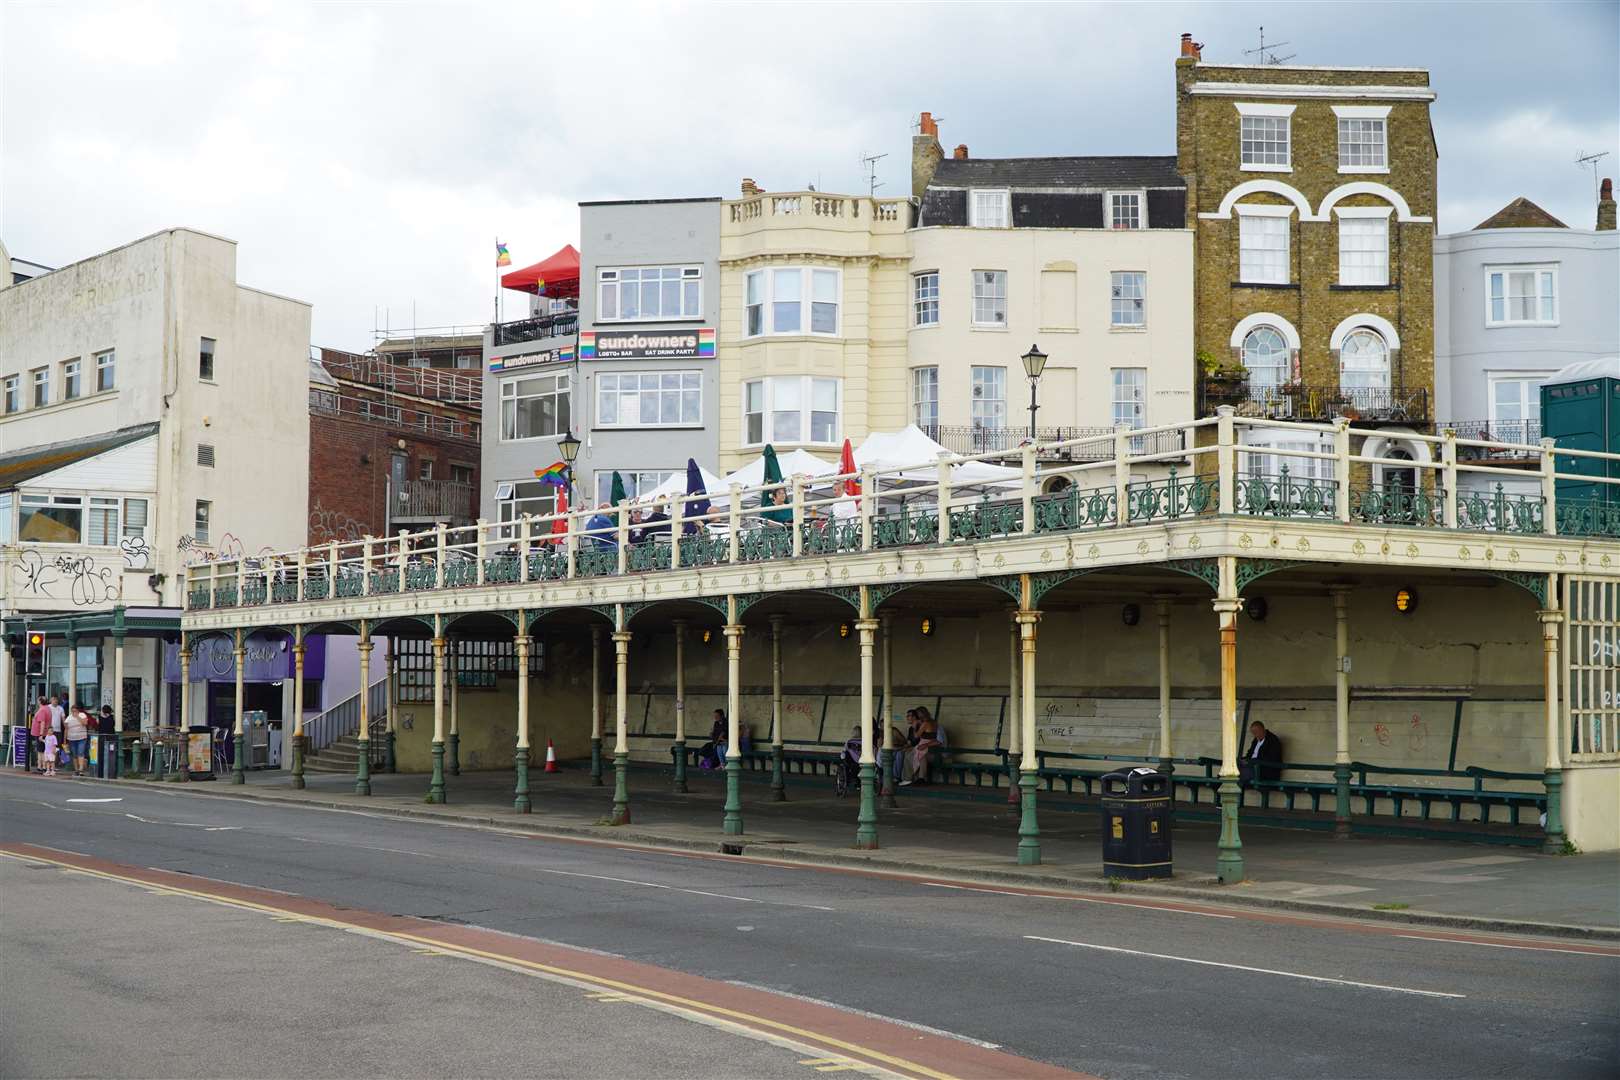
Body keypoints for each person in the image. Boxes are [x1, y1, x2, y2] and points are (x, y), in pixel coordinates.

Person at [901, 707, 945, 786]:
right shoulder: (934, 722)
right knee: (916, 755)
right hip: (930, 745)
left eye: (917, 714)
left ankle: (909, 778)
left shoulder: (925, 723)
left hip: (926, 744)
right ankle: (917, 779)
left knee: (912, 756)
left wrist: (915, 726)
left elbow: (916, 736)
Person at [1239, 720, 1284, 785]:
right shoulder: (1256, 740)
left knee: (1239, 774)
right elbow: (1249, 754)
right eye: (1253, 733)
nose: (1255, 735)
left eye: (1256, 732)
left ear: (1263, 729)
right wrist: (1243, 760)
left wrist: (1252, 761)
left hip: (1265, 771)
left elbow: (1271, 759)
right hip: (1251, 767)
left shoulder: (1272, 740)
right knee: (1232, 769)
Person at [63, 705, 91, 776]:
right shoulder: (68, 718)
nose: (73, 713)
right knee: (74, 754)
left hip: (81, 737)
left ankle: (81, 769)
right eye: (72, 711)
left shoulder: (82, 715)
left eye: (75, 711)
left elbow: (85, 723)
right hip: (71, 738)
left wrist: (78, 717)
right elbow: (66, 729)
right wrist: (65, 740)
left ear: (78, 711)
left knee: (80, 752)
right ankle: (76, 769)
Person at [30, 696, 52, 774]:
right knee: (42, 750)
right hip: (45, 732)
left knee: (41, 751)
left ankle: (42, 767)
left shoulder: (42, 710)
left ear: (40, 701)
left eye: (38, 700)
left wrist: (41, 734)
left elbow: (42, 722)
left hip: (41, 733)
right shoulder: (48, 708)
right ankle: (42, 766)